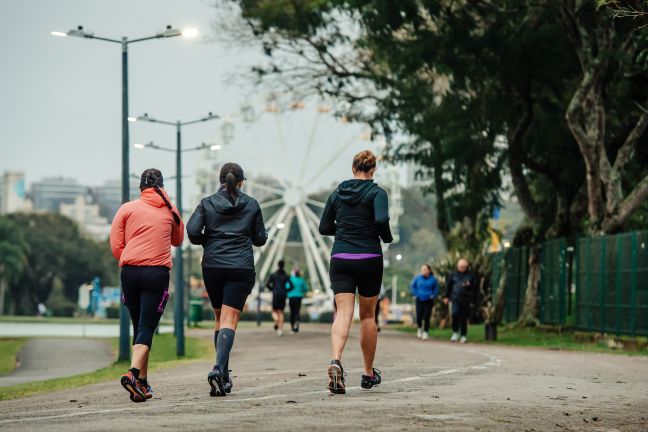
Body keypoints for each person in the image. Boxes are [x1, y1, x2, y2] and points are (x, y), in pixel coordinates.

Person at [186, 162, 267, 397]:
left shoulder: (207, 203)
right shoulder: (251, 204)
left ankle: (224, 376)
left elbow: (192, 231)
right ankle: (219, 369)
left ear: (220, 180)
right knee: (230, 321)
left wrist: (208, 241)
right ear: (241, 182)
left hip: (212, 266)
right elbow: (260, 239)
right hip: (240, 266)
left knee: (219, 318)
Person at [319, 149, 393, 394]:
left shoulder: (337, 193)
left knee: (343, 313)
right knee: (368, 316)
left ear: (352, 169)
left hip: (341, 257)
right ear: (372, 170)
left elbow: (324, 226)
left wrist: (344, 232)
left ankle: (335, 360)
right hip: (369, 257)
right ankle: (368, 373)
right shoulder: (377, 193)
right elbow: (381, 220)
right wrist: (385, 237)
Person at [110, 168, 184, 403]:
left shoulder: (126, 208)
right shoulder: (170, 211)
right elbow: (178, 240)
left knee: (139, 327)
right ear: (161, 187)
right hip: (156, 273)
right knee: (146, 328)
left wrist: (131, 259)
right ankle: (132, 374)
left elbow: (116, 245)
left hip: (130, 272)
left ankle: (142, 382)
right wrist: (170, 206)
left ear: (140, 188)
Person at [443, 258, 478, 343]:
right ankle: (455, 332)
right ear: (457, 266)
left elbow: (476, 287)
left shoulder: (471, 275)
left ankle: (463, 335)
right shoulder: (453, 275)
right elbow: (449, 286)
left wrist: (469, 285)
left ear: (466, 266)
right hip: (455, 298)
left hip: (466, 299)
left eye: (463, 266)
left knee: (464, 318)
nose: (462, 268)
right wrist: (446, 297)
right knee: (455, 314)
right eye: (460, 266)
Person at [410, 264, 439, 340]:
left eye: (425, 269)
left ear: (429, 270)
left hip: (429, 300)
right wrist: (416, 294)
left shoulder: (433, 279)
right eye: (422, 269)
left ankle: (426, 331)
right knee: (419, 316)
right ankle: (419, 328)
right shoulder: (417, 278)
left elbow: (436, 289)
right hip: (419, 299)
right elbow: (412, 286)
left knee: (427, 316)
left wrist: (433, 295)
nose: (423, 270)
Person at [266, 260, 294, 336]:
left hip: (275, 294)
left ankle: (276, 320)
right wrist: (286, 290)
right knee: (281, 312)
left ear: (278, 265)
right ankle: (280, 330)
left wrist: (272, 289)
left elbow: (267, 284)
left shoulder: (273, 275)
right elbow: (292, 286)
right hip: (283, 295)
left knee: (274, 311)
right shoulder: (286, 275)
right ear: (283, 265)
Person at [287, 268, 309, 334]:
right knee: (297, 311)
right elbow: (306, 288)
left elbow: (287, 287)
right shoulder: (301, 280)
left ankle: (292, 328)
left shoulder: (290, 279)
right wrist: (301, 290)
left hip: (291, 297)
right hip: (299, 297)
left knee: (292, 312)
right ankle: (297, 324)